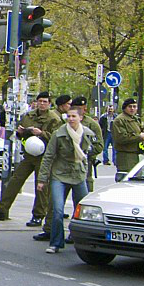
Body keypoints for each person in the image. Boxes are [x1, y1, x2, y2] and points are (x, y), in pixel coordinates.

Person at [0, 91, 61, 226]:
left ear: (49, 104)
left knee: (41, 186)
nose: (42, 104)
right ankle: (2, 209)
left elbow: (57, 138)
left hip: (45, 156)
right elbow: (21, 132)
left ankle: (38, 215)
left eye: (45, 102)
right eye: (40, 101)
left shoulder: (54, 118)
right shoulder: (29, 116)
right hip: (29, 154)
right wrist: (21, 132)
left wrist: (42, 133)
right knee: (15, 180)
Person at [37, 108, 93, 253]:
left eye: (74, 116)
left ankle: (83, 240)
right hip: (60, 174)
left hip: (78, 175)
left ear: (81, 118)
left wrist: (86, 169)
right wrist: (42, 179)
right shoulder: (59, 134)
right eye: (68, 116)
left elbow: (92, 150)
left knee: (83, 210)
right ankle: (56, 243)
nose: (71, 119)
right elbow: (48, 156)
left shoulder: (86, 133)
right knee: (58, 209)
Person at [111, 98, 144, 174]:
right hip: (125, 155)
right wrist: (139, 137)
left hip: (136, 153)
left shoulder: (135, 119)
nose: (132, 109)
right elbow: (121, 138)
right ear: (125, 108)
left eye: (134, 106)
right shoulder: (119, 120)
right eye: (130, 106)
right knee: (127, 178)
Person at [69, 97, 103, 192]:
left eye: (81, 108)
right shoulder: (66, 122)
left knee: (85, 192)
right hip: (65, 162)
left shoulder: (92, 125)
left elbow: (99, 146)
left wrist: (85, 151)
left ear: (85, 109)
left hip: (85, 162)